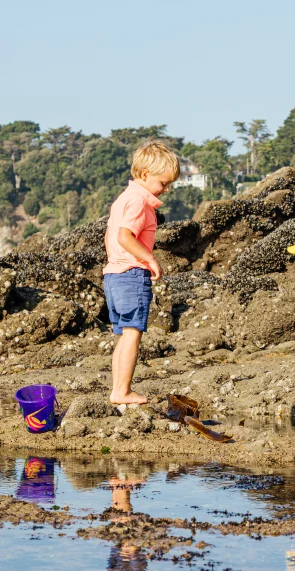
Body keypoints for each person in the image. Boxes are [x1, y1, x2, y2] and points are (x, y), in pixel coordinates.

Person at [103, 141, 180, 404]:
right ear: (145, 175)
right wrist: (150, 258)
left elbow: (111, 236)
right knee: (133, 333)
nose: (166, 189)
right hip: (131, 274)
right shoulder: (138, 202)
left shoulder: (124, 198)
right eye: (163, 183)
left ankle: (117, 389)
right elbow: (126, 236)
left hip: (113, 274)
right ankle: (122, 391)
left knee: (124, 334)